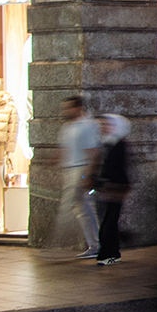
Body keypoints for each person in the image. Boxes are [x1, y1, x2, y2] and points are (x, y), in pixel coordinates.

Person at [59, 96, 101, 259]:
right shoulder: (67, 127)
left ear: (78, 108)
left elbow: (93, 150)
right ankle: (94, 244)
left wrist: (89, 173)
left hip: (80, 168)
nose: (66, 111)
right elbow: (65, 149)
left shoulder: (88, 125)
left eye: (69, 107)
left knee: (75, 206)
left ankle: (95, 243)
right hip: (70, 169)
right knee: (82, 208)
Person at [93, 114, 131, 267]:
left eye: (105, 125)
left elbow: (118, 168)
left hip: (116, 188)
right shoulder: (106, 143)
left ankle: (109, 253)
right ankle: (112, 252)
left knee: (109, 222)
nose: (103, 128)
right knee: (109, 222)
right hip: (108, 188)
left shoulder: (118, 143)